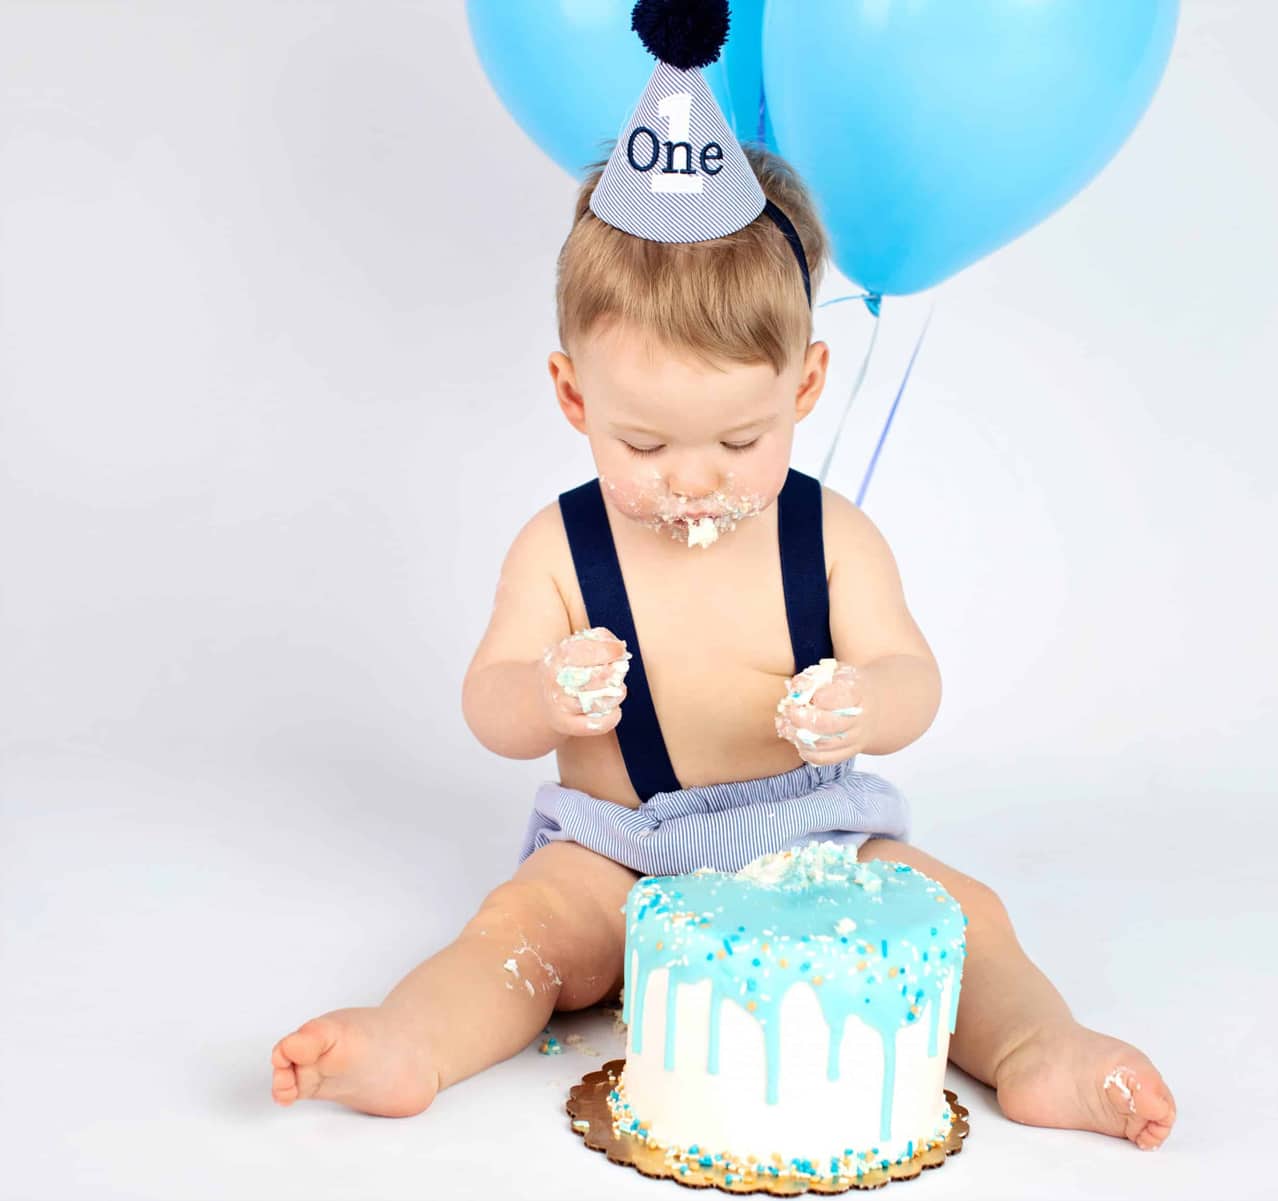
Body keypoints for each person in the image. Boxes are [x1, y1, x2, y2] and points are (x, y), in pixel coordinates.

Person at [270, 0, 1175, 1151]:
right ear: (573, 396)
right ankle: (411, 1041)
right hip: (618, 846)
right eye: (643, 446)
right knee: (521, 930)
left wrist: (868, 701)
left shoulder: (830, 536)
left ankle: (1041, 1047)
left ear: (803, 390)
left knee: (965, 920)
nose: (692, 481)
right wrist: (545, 695)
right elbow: (488, 699)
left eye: (739, 442)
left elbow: (913, 676)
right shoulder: (559, 549)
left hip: (813, 831)